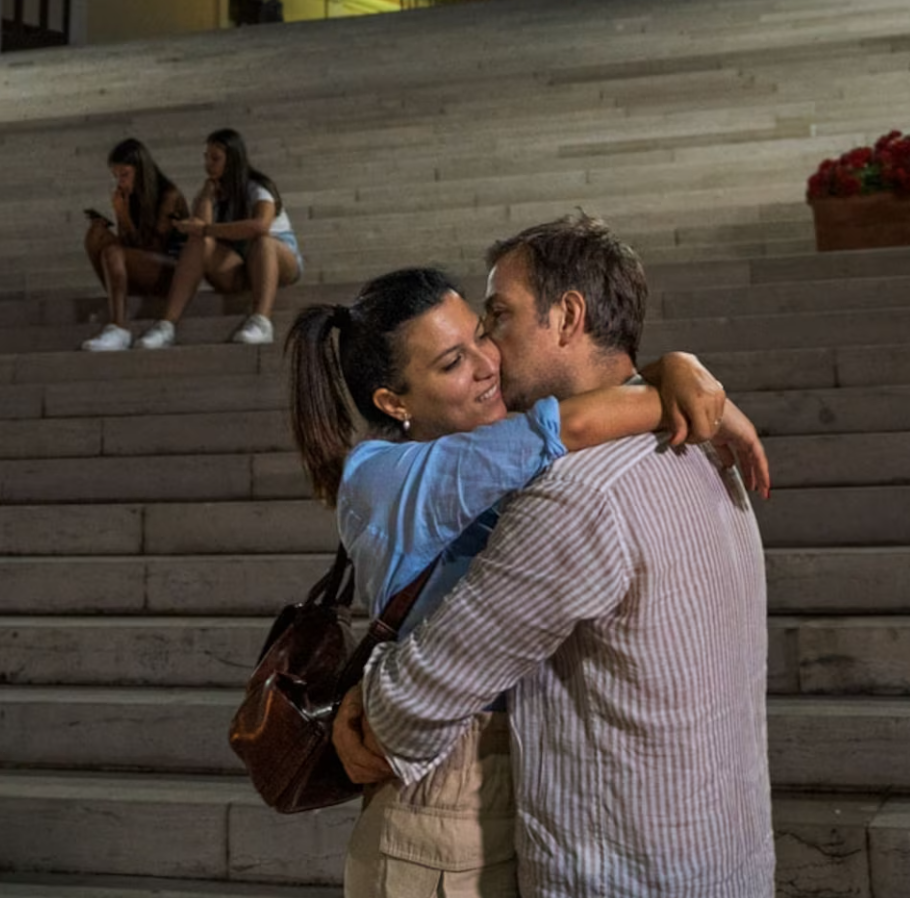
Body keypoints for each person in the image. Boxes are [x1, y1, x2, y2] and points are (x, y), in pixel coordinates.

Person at [286, 264, 769, 898]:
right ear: (393, 402)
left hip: (516, 777)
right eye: (452, 362)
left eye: (483, 334)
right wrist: (698, 393)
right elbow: (560, 427)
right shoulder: (386, 474)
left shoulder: (485, 438)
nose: (488, 363)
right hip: (441, 796)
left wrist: (675, 368)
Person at [156, 126, 302, 347]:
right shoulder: (214, 190)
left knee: (263, 242)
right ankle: (166, 326)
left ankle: (261, 321)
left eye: (215, 159)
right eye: (206, 158)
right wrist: (206, 194)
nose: (208, 165)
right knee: (198, 243)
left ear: (232, 159)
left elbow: (260, 226)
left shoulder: (257, 187)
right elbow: (200, 231)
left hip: (278, 259)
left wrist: (206, 230)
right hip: (240, 266)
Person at [79, 136, 194, 351]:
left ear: (141, 170)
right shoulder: (129, 196)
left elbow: (153, 248)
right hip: (144, 265)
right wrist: (121, 215)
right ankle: (119, 301)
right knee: (96, 234)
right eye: (116, 176)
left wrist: (123, 216)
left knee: (113, 252)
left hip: (172, 271)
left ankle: (119, 328)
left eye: (125, 175)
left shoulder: (169, 195)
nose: (121, 182)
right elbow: (128, 244)